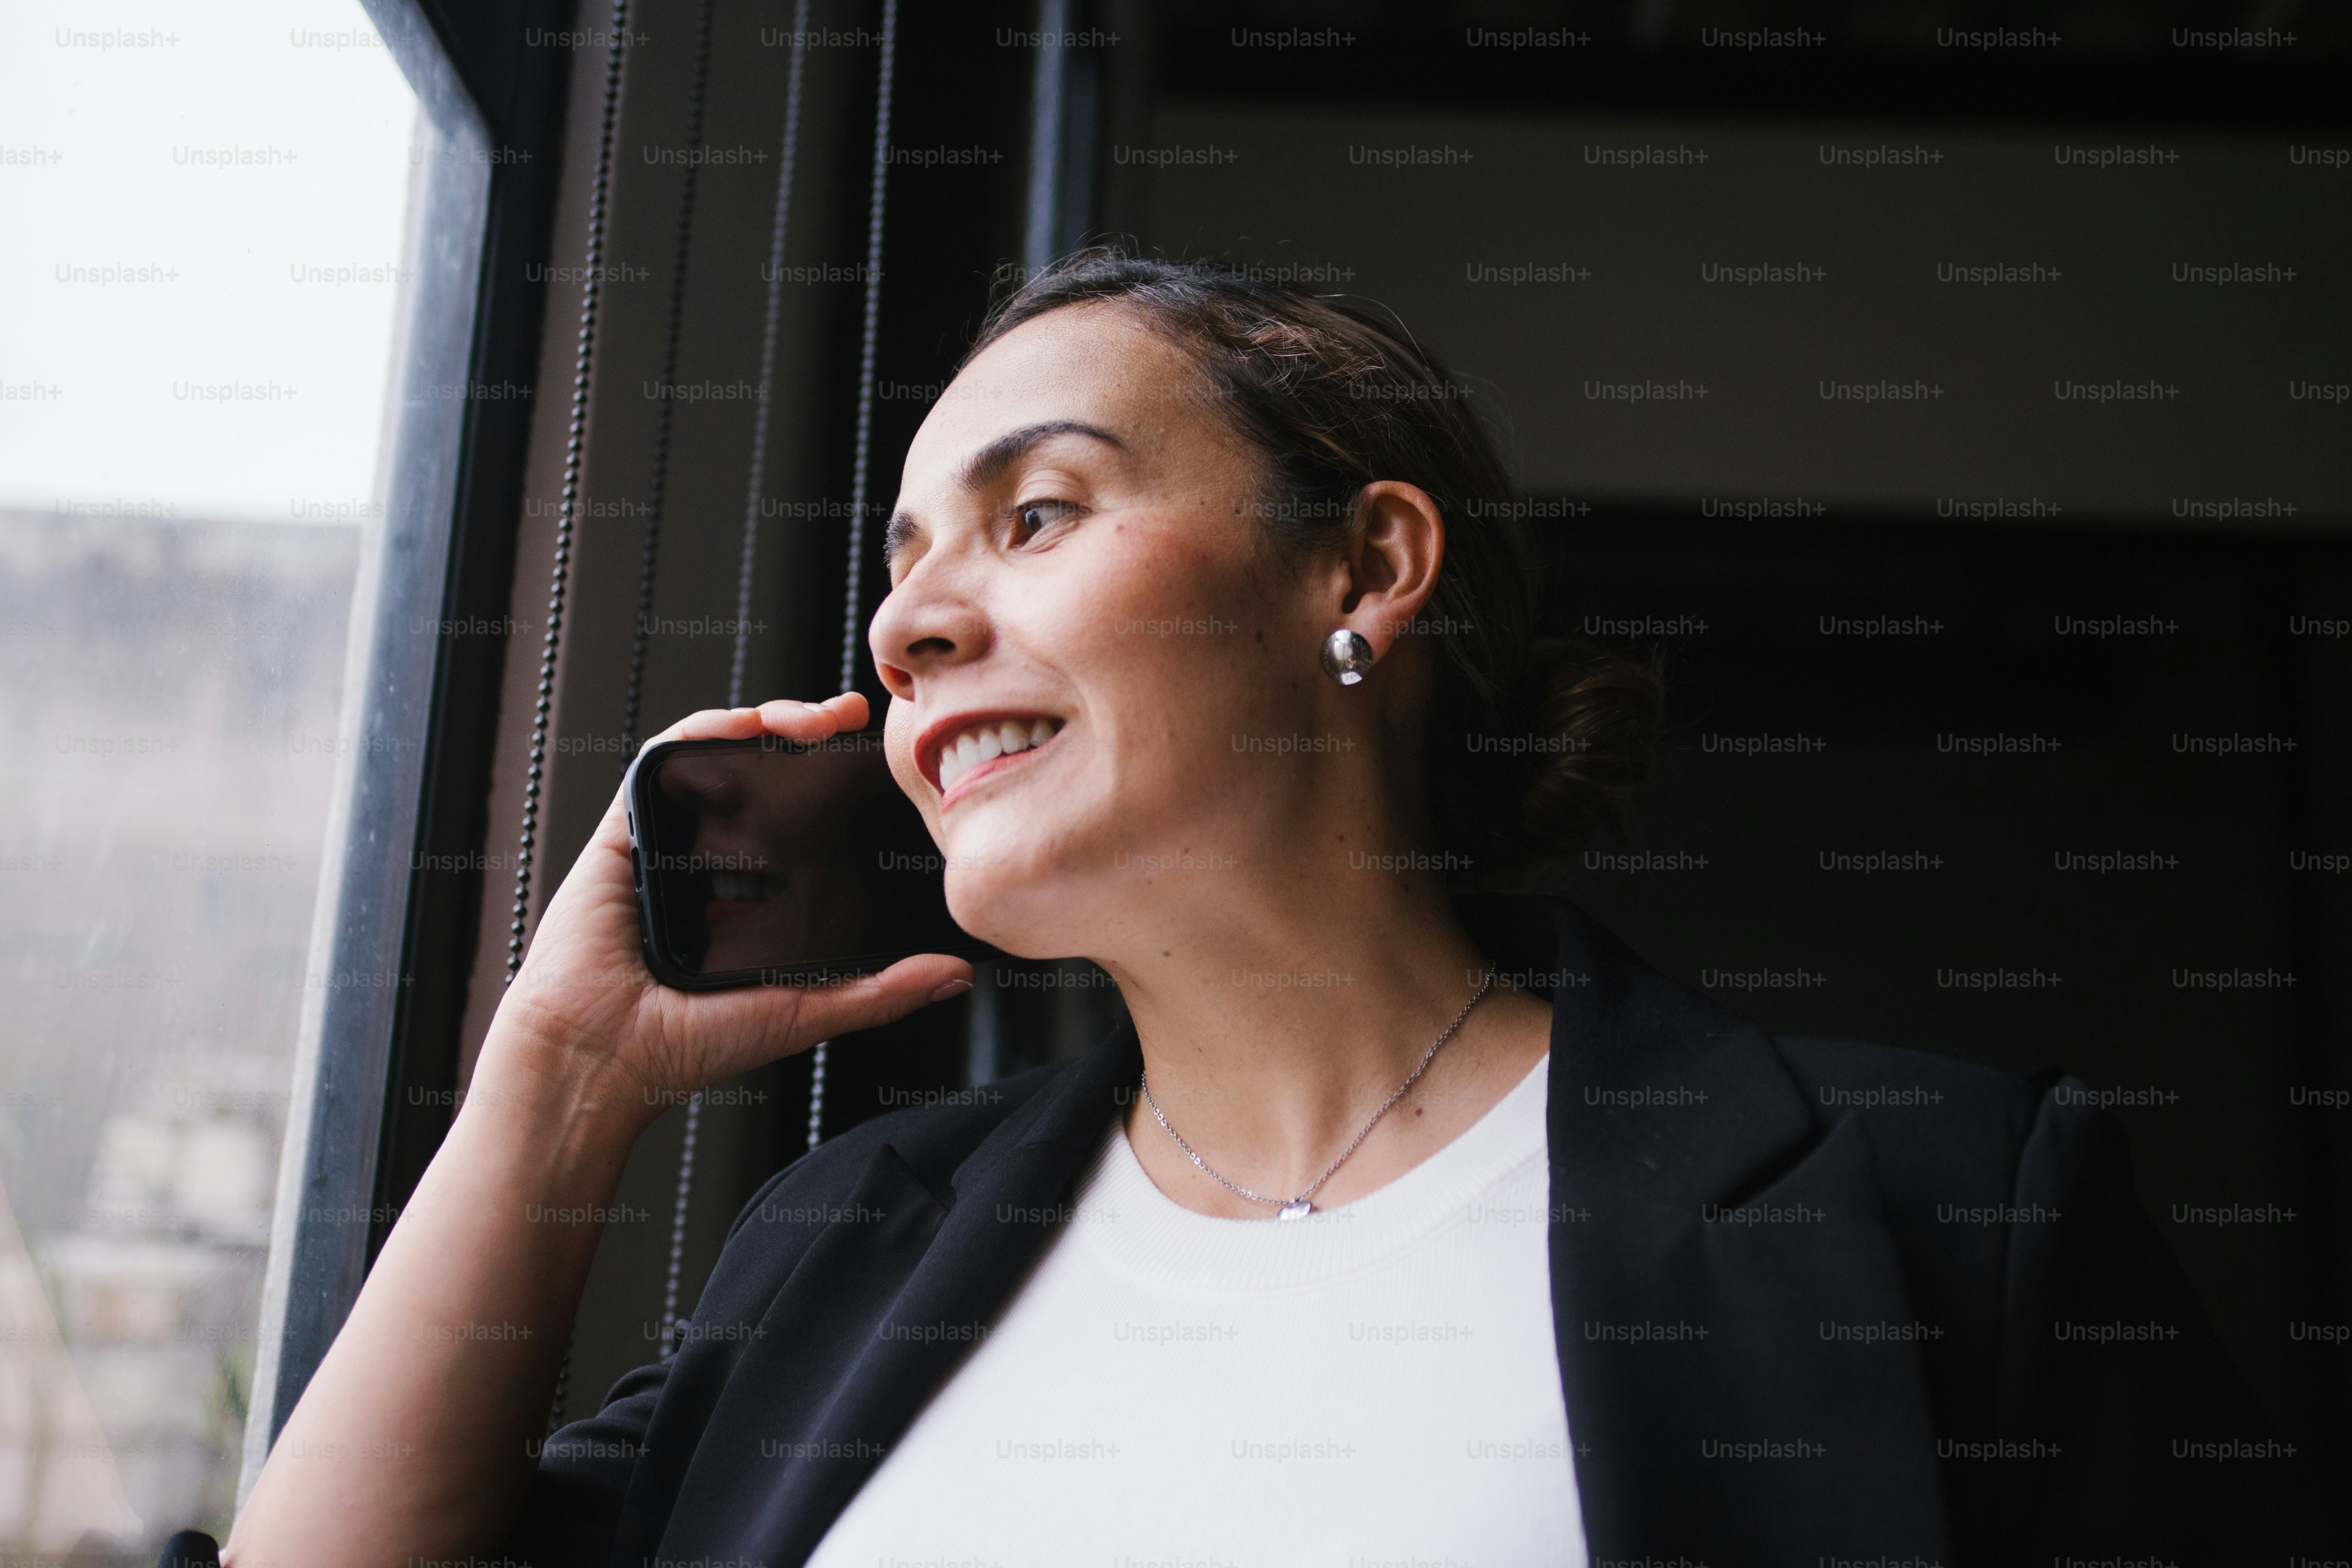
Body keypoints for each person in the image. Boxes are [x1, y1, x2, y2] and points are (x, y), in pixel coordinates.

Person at [225, 252, 2326, 1566]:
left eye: (1035, 513)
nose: (911, 617)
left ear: (1363, 567)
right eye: (900, 559)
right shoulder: (850, 1245)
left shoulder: (1950, 1207)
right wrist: (560, 1081)